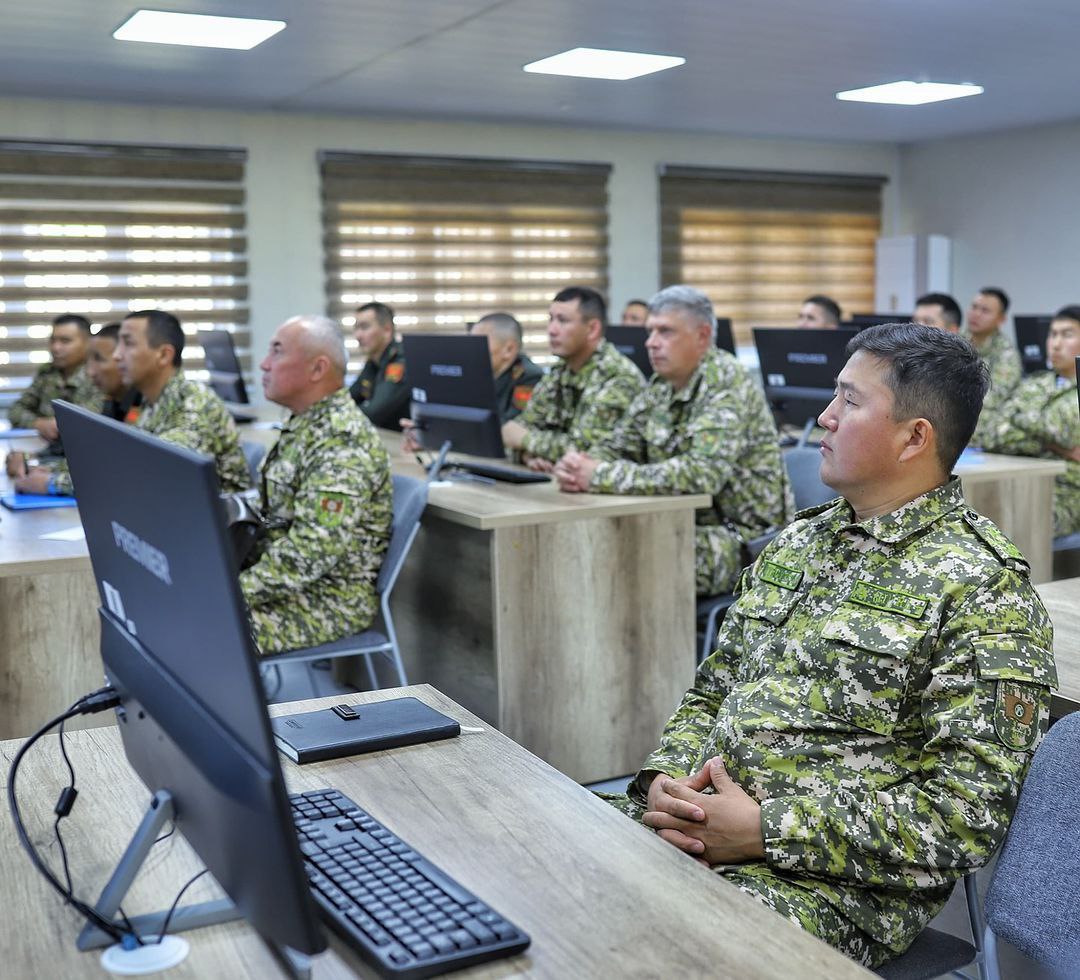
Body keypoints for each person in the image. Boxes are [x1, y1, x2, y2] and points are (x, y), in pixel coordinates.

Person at [604, 323, 1056, 969]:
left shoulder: (982, 589)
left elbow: (966, 816)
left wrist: (766, 831)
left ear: (915, 438)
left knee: (643, 951)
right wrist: (662, 781)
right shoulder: (802, 542)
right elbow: (714, 688)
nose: (825, 415)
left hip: (826, 884)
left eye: (849, 400)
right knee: (540, 869)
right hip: (699, 821)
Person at [555, 286, 791, 596]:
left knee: (624, 551)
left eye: (665, 332)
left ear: (702, 336)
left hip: (743, 543)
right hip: (680, 522)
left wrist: (598, 475)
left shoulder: (726, 383)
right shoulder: (662, 385)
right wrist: (577, 464)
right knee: (586, 536)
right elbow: (618, 444)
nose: (651, 343)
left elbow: (701, 474)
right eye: (650, 331)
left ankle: (642, 645)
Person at [240, 315, 393, 655]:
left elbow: (312, 552)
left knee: (197, 626)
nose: (265, 364)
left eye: (277, 353)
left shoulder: (341, 439)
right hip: (289, 584)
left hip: (327, 599)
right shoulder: (306, 421)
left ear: (317, 369)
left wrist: (229, 590)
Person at [501, 286, 643, 471]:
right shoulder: (560, 372)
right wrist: (527, 455)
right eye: (551, 319)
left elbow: (585, 450)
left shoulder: (619, 377)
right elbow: (511, 433)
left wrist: (526, 441)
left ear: (592, 329)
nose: (552, 329)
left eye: (563, 321)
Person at [116, 309, 250, 493]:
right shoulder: (150, 401)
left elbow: (154, 469)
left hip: (214, 518)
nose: (117, 355)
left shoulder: (195, 402)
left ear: (164, 355)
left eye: (128, 344)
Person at [977, 305, 1080, 536]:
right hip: (1020, 482)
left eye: (1067, 334)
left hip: (1068, 493)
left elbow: (1069, 434)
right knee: (976, 515)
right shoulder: (1033, 384)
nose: (1055, 343)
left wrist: (1021, 421)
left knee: (1020, 522)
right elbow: (994, 434)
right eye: (1052, 334)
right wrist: (1053, 445)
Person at [15, 322, 142, 495]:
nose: (90, 372)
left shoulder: (145, 404)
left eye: (99, 359)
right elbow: (93, 459)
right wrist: (34, 464)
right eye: (53, 340)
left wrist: (52, 483)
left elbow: (125, 475)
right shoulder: (113, 402)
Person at [5, 314, 99, 475]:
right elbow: (16, 410)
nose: (56, 348)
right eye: (53, 340)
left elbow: (89, 421)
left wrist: (59, 425)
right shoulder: (47, 373)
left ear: (88, 343)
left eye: (65, 341)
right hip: (46, 452)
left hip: (84, 461)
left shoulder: (99, 374)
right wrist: (38, 423)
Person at [470, 312, 544, 423]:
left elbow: (513, 424)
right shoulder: (477, 375)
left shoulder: (529, 377)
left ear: (509, 349)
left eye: (479, 343)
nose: (472, 350)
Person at [348, 301, 409, 431]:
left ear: (387, 330)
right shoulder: (373, 362)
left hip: (403, 442)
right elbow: (349, 398)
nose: (357, 336)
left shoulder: (399, 361)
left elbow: (374, 412)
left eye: (364, 327)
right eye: (356, 329)